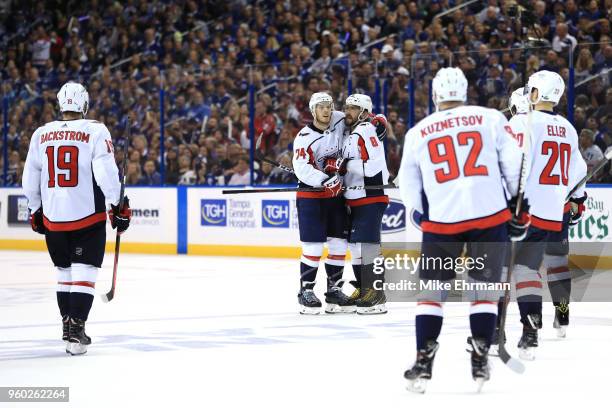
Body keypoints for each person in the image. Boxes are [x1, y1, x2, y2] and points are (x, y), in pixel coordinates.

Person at [398, 67, 525, 392]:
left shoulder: (419, 131)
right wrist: (515, 203)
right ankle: (481, 350)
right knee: (483, 290)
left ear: (435, 94)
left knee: (431, 293)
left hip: (442, 221)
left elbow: (409, 185)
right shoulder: (491, 118)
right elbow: (513, 162)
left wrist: (419, 215)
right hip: (489, 216)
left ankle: (424, 357)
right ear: (465, 91)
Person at [22, 82, 132, 356]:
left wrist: (35, 209)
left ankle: (67, 326)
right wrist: (118, 204)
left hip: (53, 219)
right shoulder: (95, 130)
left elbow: (29, 178)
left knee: (64, 273)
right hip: (86, 216)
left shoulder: (41, 133)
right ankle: (76, 330)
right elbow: (105, 174)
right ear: (84, 104)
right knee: (84, 273)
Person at [506, 71, 587, 360]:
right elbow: (579, 172)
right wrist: (574, 197)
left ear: (537, 94)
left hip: (528, 210)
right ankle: (562, 315)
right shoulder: (568, 128)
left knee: (525, 269)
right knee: (556, 263)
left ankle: (530, 330)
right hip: (556, 211)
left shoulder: (522, 121)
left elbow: (510, 164)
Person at [324, 93, 390, 314]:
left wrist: (345, 166)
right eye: (347, 107)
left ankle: (377, 294)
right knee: (355, 246)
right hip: (354, 197)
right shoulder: (351, 132)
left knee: (370, 245)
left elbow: (374, 165)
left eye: (353, 108)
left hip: (370, 195)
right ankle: (364, 288)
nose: (347, 111)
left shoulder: (366, 130)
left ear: (363, 112)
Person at [292, 92, 353, 314]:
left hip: (334, 197)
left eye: (328, 106)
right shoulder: (304, 137)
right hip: (311, 197)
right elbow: (302, 168)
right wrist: (325, 180)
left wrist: (377, 119)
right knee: (314, 246)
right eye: (321, 107)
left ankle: (334, 291)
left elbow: (356, 115)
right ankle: (306, 291)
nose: (326, 110)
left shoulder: (338, 119)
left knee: (339, 244)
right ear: (313, 110)